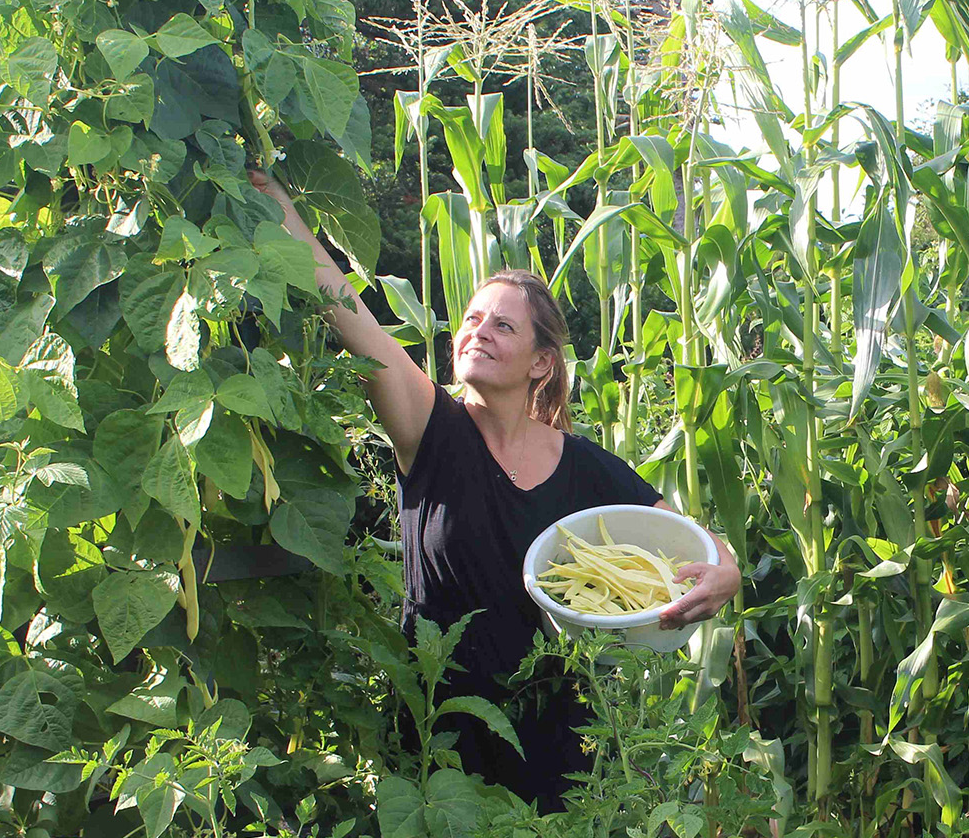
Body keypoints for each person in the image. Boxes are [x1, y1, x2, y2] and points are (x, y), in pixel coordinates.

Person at [249, 168, 743, 811]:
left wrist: (725, 577)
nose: (477, 330)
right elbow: (344, 307)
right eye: (473, 318)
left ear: (542, 362)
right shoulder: (430, 428)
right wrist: (277, 205)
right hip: (440, 744)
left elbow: (696, 546)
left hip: (556, 744)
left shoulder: (584, 467)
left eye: (503, 326)